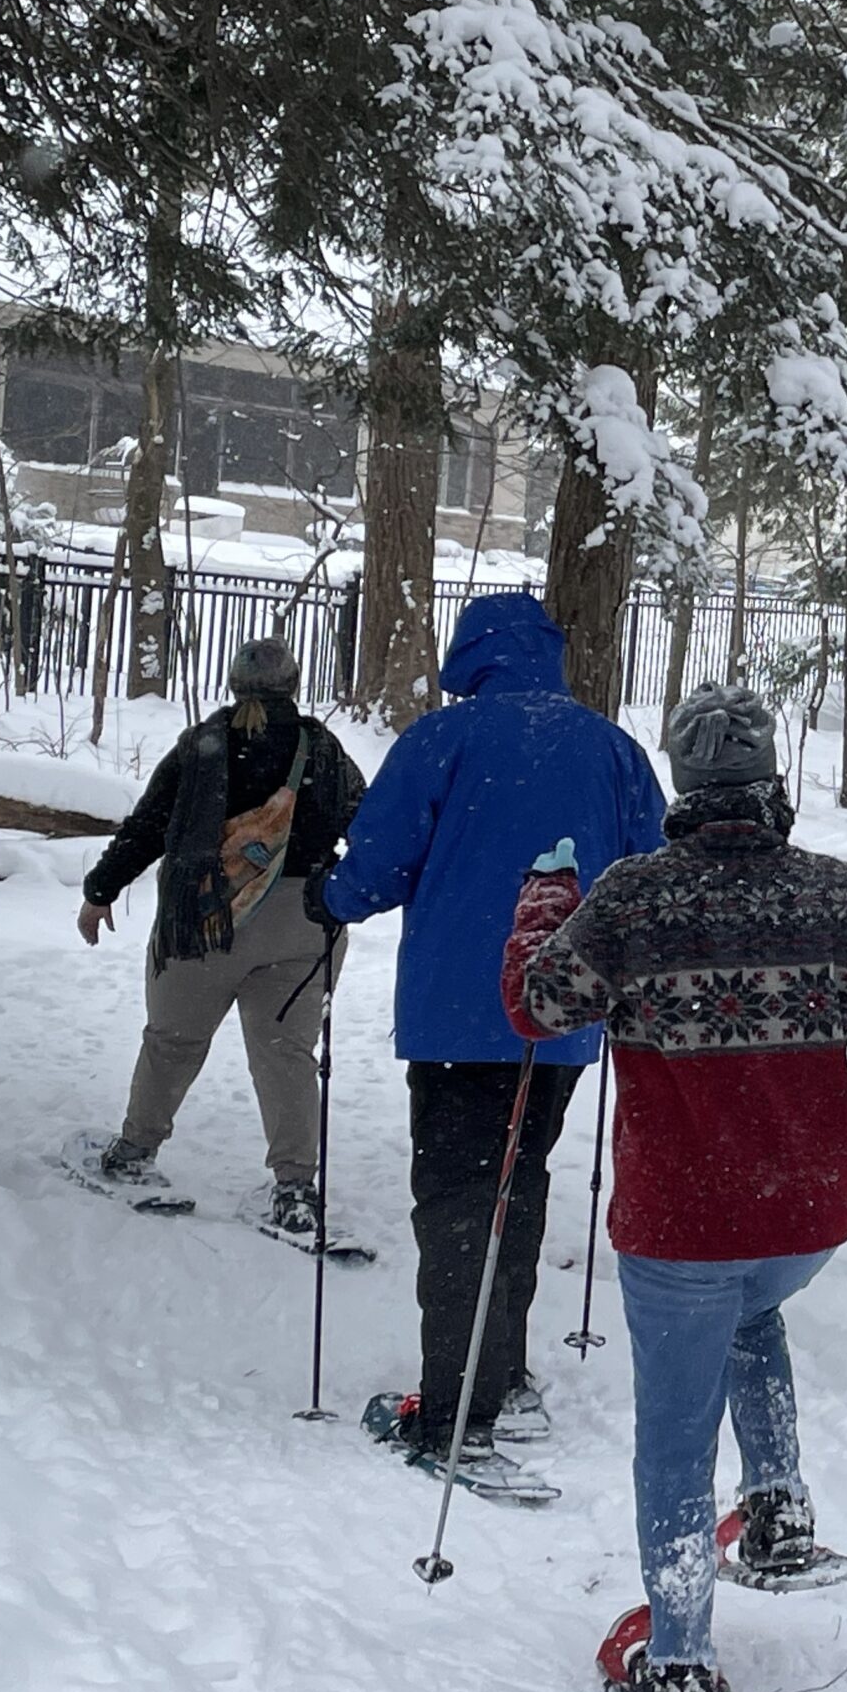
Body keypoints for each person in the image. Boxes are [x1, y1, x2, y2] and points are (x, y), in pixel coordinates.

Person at [501, 684, 847, 1692]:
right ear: (768, 776)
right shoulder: (828, 892)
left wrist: (543, 910)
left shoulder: (633, 896)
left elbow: (538, 1007)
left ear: (683, 781)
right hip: (807, 1213)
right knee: (754, 1313)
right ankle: (778, 1510)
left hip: (682, 1221)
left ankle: (681, 1658)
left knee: (675, 1435)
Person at [307, 592, 666, 1469]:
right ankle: (499, 1374)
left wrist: (332, 896)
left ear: (472, 654)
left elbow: (381, 863)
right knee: (521, 1181)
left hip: (460, 1013)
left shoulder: (443, 739)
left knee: (460, 1198)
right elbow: (647, 868)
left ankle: (453, 1413)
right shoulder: (611, 747)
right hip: (564, 1016)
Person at [76, 637, 365, 1235]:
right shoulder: (323, 749)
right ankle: (294, 1191)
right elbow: (369, 825)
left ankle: (134, 1155)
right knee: (287, 1056)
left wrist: (101, 889)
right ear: (294, 682)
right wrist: (342, 893)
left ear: (234, 685)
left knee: (173, 1042)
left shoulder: (204, 744)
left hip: (206, 919)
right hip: (302, 927)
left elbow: (150, 824)